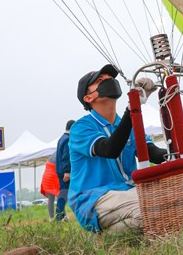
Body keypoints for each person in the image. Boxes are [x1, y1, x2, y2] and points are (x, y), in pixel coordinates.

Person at [69, 63, 165, 233]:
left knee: (172, 202)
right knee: (152, 213)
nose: (108, 80)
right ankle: (104, 235)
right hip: (93, 197)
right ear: (88, 98)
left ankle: (109, 232)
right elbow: (109, 149)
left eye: (109, 78)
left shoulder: (127, 124)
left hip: (129, 190)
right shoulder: (81, 128)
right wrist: (132, 108)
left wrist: (181, 155)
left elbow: (153, 153)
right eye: (100, 80)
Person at [54, 119, 74, 221]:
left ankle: (61, 215)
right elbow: (66, 156)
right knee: (64, 194)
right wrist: (67, 171)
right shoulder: (67, 139)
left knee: (63, 194)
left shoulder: (61, 138)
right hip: (65, 172)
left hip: (60, 171)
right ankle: (59, 216)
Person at [40, 152, 60, 219]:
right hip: (53, 177)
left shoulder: (53, 155)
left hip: (46, 179)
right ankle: (62, 216)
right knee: (60, 197)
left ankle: (51, 218)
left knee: (51, 199)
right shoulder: (61, 153)